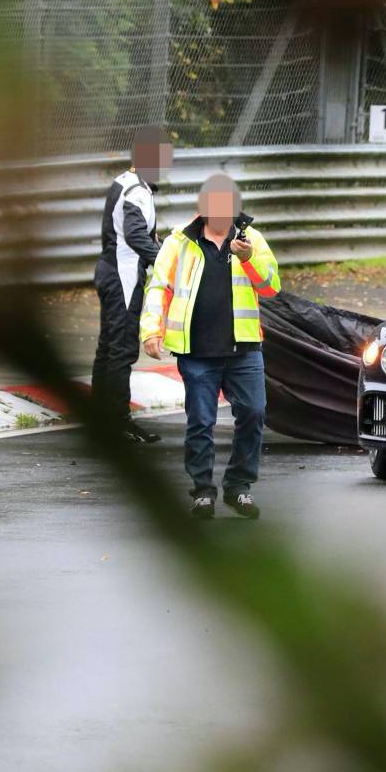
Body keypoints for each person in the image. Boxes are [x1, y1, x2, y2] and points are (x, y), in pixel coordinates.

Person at [140, 173, 280, 519]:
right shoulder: (179, 242)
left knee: (254, 413)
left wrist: (248, 259)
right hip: (197, 352)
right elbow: (158, 287)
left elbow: (271, 287)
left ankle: (238, 487)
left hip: (244, 350)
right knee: (200, 422)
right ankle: (202, 491)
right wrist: (151, 330)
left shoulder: (251, 239)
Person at [92, 127, 171, 444]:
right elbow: (136, 235)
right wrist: (163, 263)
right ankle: (117, 423)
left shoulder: (125, 181)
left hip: (110, 272)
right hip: (122, 278)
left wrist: (160, 247)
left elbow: (140, 234)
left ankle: (100, 421)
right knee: (121, 350)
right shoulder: (137, 191)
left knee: (108, 348)